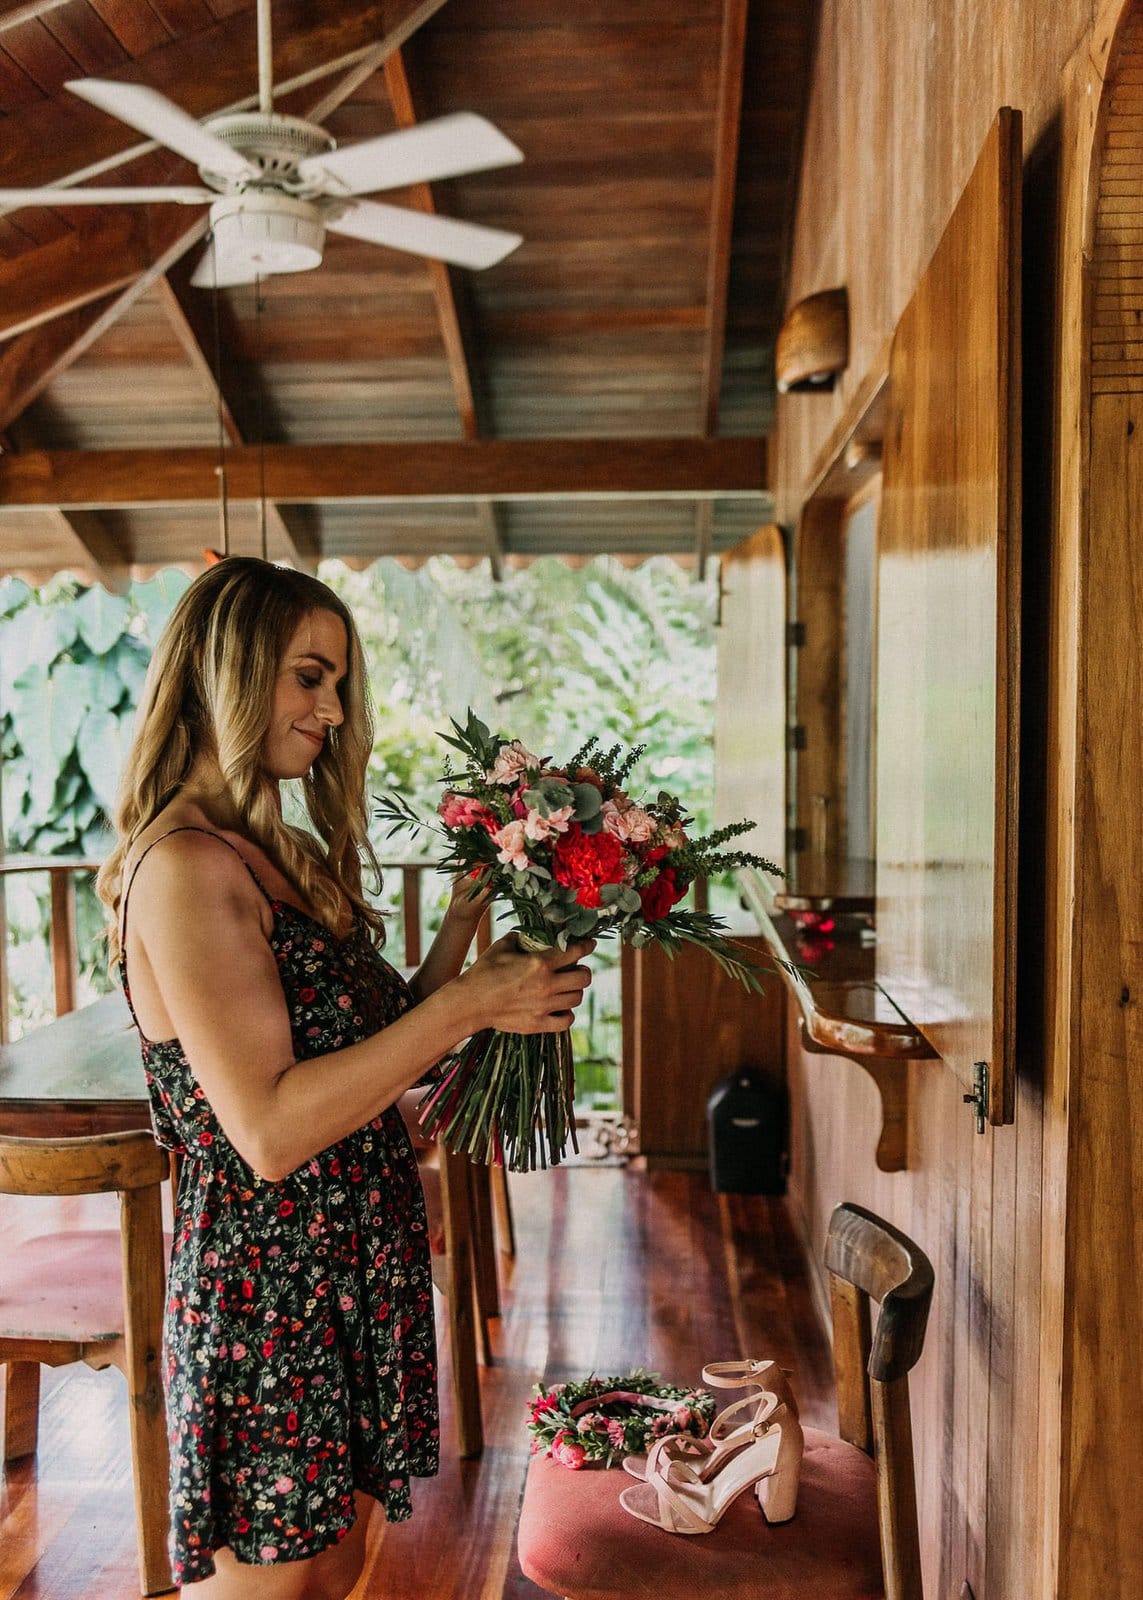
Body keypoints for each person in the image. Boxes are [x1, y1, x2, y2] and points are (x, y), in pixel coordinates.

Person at [96, 557, 594, 1599]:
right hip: (264, 1301)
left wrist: (463, 933)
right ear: (229, 673)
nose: (331, 709)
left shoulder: (260, 848)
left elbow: (357, 1046)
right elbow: (269, 1129)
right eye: (309, 677)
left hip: (336, 1277)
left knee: (320, 1585)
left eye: (340, 685)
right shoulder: (186, 868)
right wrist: (471, 1007)